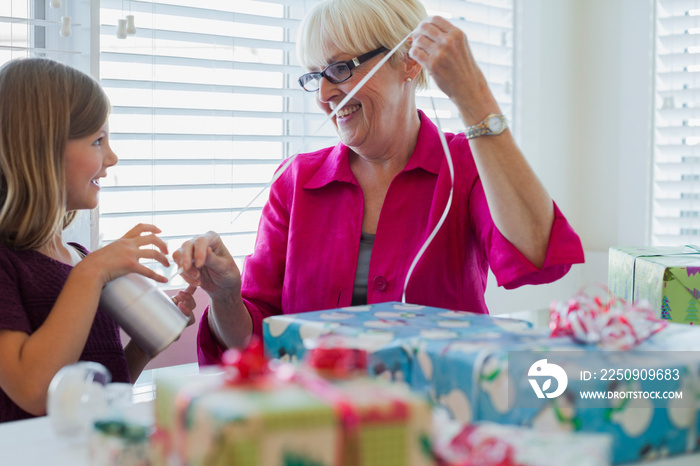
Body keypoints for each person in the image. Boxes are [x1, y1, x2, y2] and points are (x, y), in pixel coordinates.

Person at [174, 0, 585, 365]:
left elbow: (538, 258)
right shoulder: (295, 182)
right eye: (315, 76)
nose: (325, 95)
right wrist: (226, 297)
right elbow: (255, 346)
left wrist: (471, 96)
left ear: (408, 61)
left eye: (339, 69)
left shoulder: (465, 165)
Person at [0, 58, 196, 423]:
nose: (112, 157)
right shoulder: (12, 265)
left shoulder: (77, 259)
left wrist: (143, 346)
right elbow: (33, 390)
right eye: (97, 141)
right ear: (42, 150)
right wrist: (93, 273)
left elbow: (102, 393)